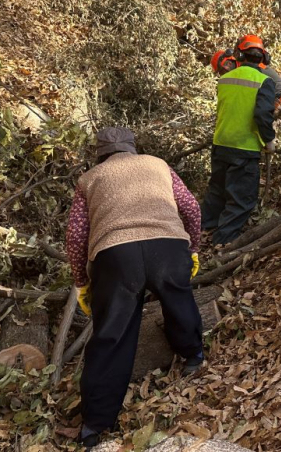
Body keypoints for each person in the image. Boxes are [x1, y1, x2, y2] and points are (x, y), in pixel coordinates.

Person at [65, 127, 203, 448]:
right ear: (133, 148)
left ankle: (94, 425)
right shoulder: (158, 164)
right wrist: (193, 248)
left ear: (99, 154)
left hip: (115, 256)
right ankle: (193, 355)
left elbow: (75, 236)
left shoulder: (90, 179)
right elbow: (191, 208)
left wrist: (81, 283)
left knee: (112, 333)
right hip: (168, 248)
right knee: (177, 298)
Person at [201, 36, 277, 244]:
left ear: (238, 55)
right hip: (244, 146)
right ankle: (222, 242)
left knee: (216, 189)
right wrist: (269, 139)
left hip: (221, 142)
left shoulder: (224, 79)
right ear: (263, 57)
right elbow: (262, 115)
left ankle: (203, 228)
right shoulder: (264, 81)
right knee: (241, 198)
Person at [213, 35, 281, 109]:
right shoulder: (241, 74)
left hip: (280, 101)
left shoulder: (257, 68)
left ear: (227, 63)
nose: (223, 74)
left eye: (222, 71)